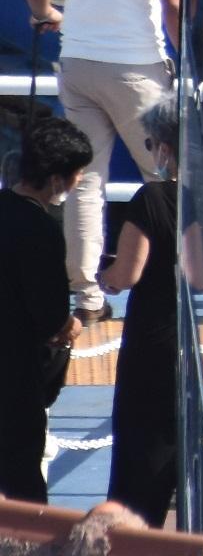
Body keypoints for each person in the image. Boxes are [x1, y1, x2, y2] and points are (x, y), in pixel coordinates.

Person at [24, 0, 180, 320]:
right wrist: (189, 65)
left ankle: (87, 297)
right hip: (138, 68)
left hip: (79, 64)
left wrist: (49, 16)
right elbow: (172, 4)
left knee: (84, 182)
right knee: (173, 179)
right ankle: (185, 280)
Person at [0, 117, 91, 504]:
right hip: (14, 374)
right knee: (20, 481)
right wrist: (71, 326)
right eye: (76, 175)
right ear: (57, 178)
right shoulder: (42, 231)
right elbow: (51, 315)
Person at [101, 100, 182, 525]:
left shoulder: (152, 198)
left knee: (140, 458)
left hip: (154, 342)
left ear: (166, 147)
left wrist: (104, 276)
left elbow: (127, 274)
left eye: (151, 144)